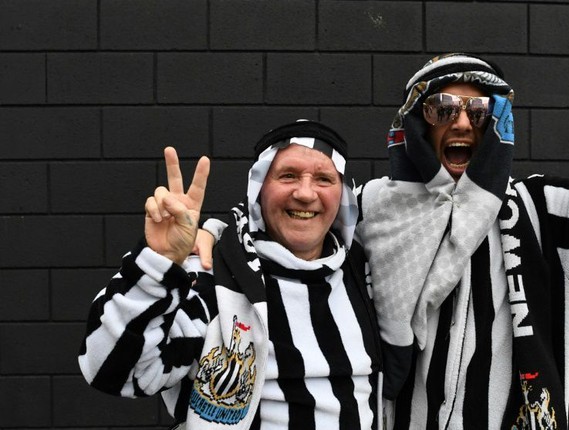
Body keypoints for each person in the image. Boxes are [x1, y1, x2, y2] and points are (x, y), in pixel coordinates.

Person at [195, 21, 569, 430]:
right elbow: (286, 218)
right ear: (417, 124)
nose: (462, 120)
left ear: (499, 124)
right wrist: (214, 236)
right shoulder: (369, 209)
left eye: (481, 110)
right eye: (442, 108)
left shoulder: (542, 212)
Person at [78, 120, 384, 430]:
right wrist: (158, 263)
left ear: (342, 194)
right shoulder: (211, 277)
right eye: (288, 175)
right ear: (258, 190)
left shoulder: (364, 273)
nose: (305, 193)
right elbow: (111, 372)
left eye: (323, 179)